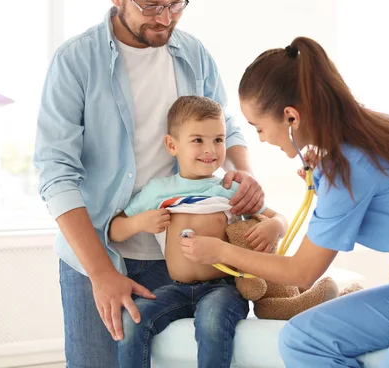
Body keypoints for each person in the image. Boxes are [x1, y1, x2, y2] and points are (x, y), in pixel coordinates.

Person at [178, 37, 389, 368]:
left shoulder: (346, 168)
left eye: (259, 127)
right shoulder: (368, 139)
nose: (262, 139)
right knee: (302, 338)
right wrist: (323, 181)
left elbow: (302, 271)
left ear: (291, 117)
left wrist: (220, 252)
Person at [33, 0, 264, 366]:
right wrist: (102, 272)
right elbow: (56, 173)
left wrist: (244, 173)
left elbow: (224, 125)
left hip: (181, 255)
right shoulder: (75, 62)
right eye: (151, 5)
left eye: (176, 4)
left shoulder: (193, 54)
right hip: (98, 256)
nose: (165, 18)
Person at [108, 96, 287, 367]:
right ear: (172, 145)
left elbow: (280, 218)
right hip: (177, 289)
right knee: (134, 320)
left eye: (218, 139)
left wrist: (274, 226)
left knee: (212, 320)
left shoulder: (229, 188)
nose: (210, 149)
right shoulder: (159, 191)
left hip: (224, 289)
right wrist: (139, 223)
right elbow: (113, 230)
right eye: (197, 140)